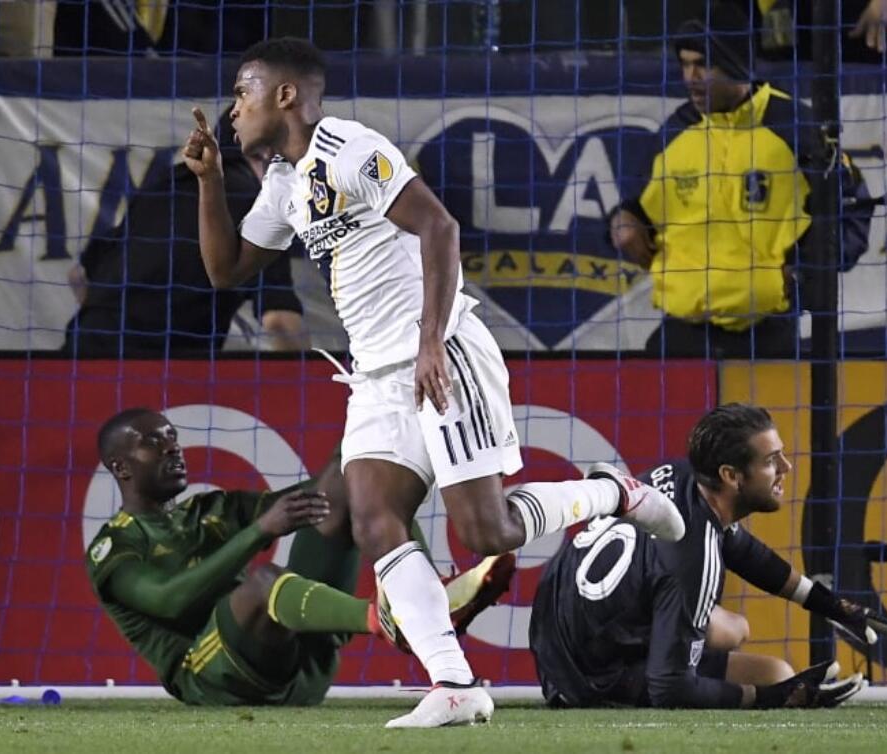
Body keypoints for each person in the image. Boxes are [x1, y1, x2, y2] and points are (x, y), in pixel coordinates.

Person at [183, 37, 686, 726]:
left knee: (488, 532)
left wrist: (429, 344)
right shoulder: (286, 183)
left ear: (286, 95)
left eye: (243, 90)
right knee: (371, 519)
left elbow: (439, 227)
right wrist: (210, 180)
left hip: (440, 351)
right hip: (376, 377)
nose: (233, 108)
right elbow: (226, 269)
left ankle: (612, 491)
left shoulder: (349, 148)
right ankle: (454, 684)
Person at [85, 408, 515, 706]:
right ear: (122, 468)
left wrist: (358, 465)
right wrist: (259, 531)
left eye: (173, 438)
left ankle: (419, 592)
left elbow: (322, 497)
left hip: (299, 667)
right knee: (263, 582)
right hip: (214, 679)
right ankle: (392, 618)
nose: (172, 448)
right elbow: (169, 601)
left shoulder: (207, 510)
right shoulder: (115, 547)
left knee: (353, 470)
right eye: (152, 443)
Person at [529, 403, 887, 709]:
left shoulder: (680, 475)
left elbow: (742, 548)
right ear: (731, 476)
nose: (786, 468)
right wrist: (773, 700)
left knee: (759, 653)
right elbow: (670, 687)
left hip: (558, 639)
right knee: (757, 666)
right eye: (771, 462)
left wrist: (833, 606)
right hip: (586, 679)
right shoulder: (694, 562)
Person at [609, 1, 873, 358]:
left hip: (766, 336)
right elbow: (635, 209)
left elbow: (853, 207)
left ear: (734, 63)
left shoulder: (795, 127)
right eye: (685, 64)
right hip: (682, 335)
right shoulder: (675, 131)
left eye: (703, 64)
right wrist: (620, 222)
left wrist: (804, 274)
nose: (691, 78)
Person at [63, 107, 307, 357]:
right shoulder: (261, 208)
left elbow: (78, 274)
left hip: (82, 357)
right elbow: (280, 323)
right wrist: (309, 389)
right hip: (166, 370)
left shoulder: (168, 183)